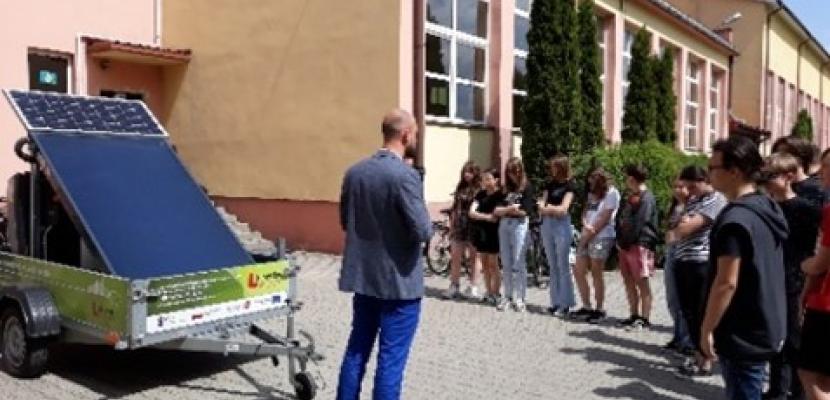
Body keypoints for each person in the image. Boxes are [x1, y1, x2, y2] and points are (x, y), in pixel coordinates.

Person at [337, 109, 432, 400]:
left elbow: (345, 221)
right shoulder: (405, 176)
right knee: (391, 361)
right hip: (399, 285)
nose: (415, 138)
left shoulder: (354, 173)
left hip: (364, 281)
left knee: (357, 350)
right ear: (405, 134)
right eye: (414, 133)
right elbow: (423, 230)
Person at [700, 135, 788, 400]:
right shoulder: (765, 206)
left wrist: (706, 329)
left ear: (734, 171)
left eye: (713, 168)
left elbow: (727, 282)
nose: (708, 174)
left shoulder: (735, 221)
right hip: (764, 324)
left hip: (742, 333)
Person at [762, 153, 820, 400]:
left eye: (771, 176)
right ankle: (776, 390)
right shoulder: (766, 207)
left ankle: (797, 394)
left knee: (795, 341)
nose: (765, 182)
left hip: (794, 281)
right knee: (775, 337)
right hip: (772, 278)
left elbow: (810, 250)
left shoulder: (805, 209)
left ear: (788, 177)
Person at [670, 165, 727, 378]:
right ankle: (697, 354)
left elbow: (685, 229)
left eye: (692, 186)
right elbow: (674, 225)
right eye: (686, 186)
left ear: (704, 180)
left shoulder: (716, 200)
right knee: (689, 312)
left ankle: (706, 360)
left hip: (701, 262)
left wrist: (683, 225)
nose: (689, 191)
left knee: (702, 312)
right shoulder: (693, 200)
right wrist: (683, 215)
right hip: (683, 259)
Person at [798, 148, 830, 400]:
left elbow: (820, 264)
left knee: (810, 374)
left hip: (826, 303)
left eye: (828, 166)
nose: (822, 172)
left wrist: (804, 264)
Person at [572, 168, 620, 324]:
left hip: (602, 236)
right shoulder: (591, 193)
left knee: (596, 272)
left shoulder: (612, 193)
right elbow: (585, 212)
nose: (589, 182)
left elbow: (605, 218)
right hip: (586, 234)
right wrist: (585, 224)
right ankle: (586, 305)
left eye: (592, 179)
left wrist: (590, 233)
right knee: (579, 270)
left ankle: (599, 308)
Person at [615, 164, 659, 330]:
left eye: (627, 177)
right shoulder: (630, 196)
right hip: (625, 245)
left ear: (632, 178)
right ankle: (633, 314)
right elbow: (621, 218)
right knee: (628, 280)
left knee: (642, 281)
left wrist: (627, 241)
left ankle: (645, 317)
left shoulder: (647, 198)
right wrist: (619, 239)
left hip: (640, 244)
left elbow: (641, 222)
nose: (626, 180)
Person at [493, 157, 535, 312]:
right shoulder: (505, 189)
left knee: (518, 261)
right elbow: (496, 210)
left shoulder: (527, 187)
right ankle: (507, 295)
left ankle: (520, 297)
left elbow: (526, 211)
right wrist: (510, 209)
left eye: (516, 171)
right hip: (505, 224)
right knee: (506, 262)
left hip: (519, 225)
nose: (513, 174)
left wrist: (510, 210)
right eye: (510, 171)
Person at [538, 156, 576, 317]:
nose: (551, 169)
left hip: (562, 225)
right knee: (552, 265)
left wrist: (548, 208)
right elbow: (541, 206)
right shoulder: (549, 184)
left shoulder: (570, 185)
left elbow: (564, 209)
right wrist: (550, 209)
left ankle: (566, 303)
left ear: (561, 167)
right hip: (547, 224)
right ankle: (555, 302)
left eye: (554, 166)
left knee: (563, 265)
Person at [663, 177, 694, 354]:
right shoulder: (675, 206)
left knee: (684, 300)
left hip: (685, 253)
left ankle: (687, 341)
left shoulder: (694, 207)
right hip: (671, 252)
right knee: (672, 297)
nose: (677, 190)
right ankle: (678, 335)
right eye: (675, 187)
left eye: (681, 187)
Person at [443, 161, 482, 300]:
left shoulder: (479, 189)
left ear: (475, 174)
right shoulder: (461, 187)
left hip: (474, 226)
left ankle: (474, 286)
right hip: (459, 224)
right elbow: (455, 206)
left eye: (470, 172)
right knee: (455, 256)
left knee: (474, 257)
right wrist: (451, 223)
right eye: (465, 171)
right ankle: (454, 285)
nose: (467, 174)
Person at [469, 168, 505, 305]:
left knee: (493, 264)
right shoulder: (480, 194)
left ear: (496, 180)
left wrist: (486, 217)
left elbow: (496, 217)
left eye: (488, 178)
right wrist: (486, 217)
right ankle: (488, 291)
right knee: (484, 262)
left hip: (494, 232)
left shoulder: (500, 195)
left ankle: (496, 292)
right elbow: (471, 212)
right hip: (482, 231)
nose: (485, 181)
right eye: (484, 179)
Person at [773, 135, 825, 209]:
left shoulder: (816, 187)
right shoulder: (773, 183)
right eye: (776, 154)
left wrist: (787, 194)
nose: (778, 159)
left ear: (800, 158)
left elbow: (815, 214)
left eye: (785, 154)